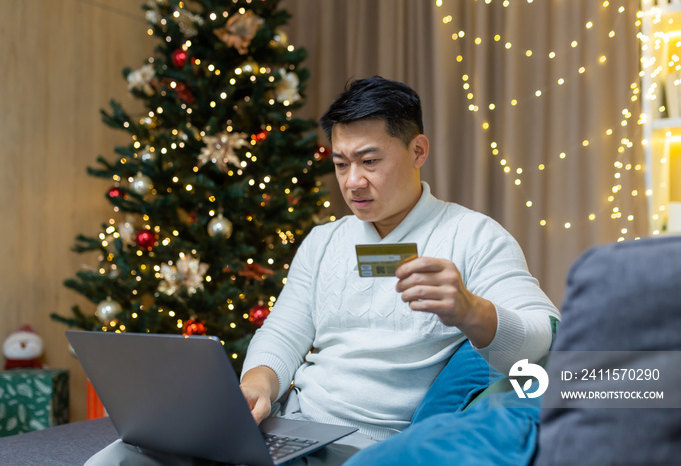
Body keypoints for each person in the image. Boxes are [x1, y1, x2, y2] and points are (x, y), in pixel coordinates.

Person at [239, 76, 560, 462]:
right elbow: (284, 331)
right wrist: (258, 380)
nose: (353, 181)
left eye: (370, 161)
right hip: (293, 426)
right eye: (341, 164)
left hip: (374, 449)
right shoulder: (324, 241)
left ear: (418, 151)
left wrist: (471, 311)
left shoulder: (474, 236)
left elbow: (545, 336)